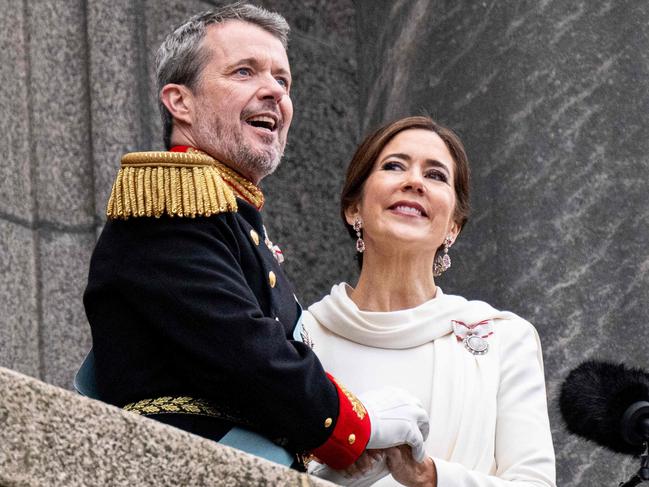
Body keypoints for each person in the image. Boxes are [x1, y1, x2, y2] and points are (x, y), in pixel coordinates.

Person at [82, 3, 430, 472]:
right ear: (179, 101)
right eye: (244, 72)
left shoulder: (228, 216)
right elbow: (243, 353)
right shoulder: (168, 210)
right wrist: (355, 426)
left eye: (282, 81)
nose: (273, 92)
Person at [304, 116, 556, 486]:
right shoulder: (300, 335)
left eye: (436, 175)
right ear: (353, 208)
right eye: (393, 166)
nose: (414, 182)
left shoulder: (502, 340)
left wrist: (428, 476)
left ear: (453, 225)